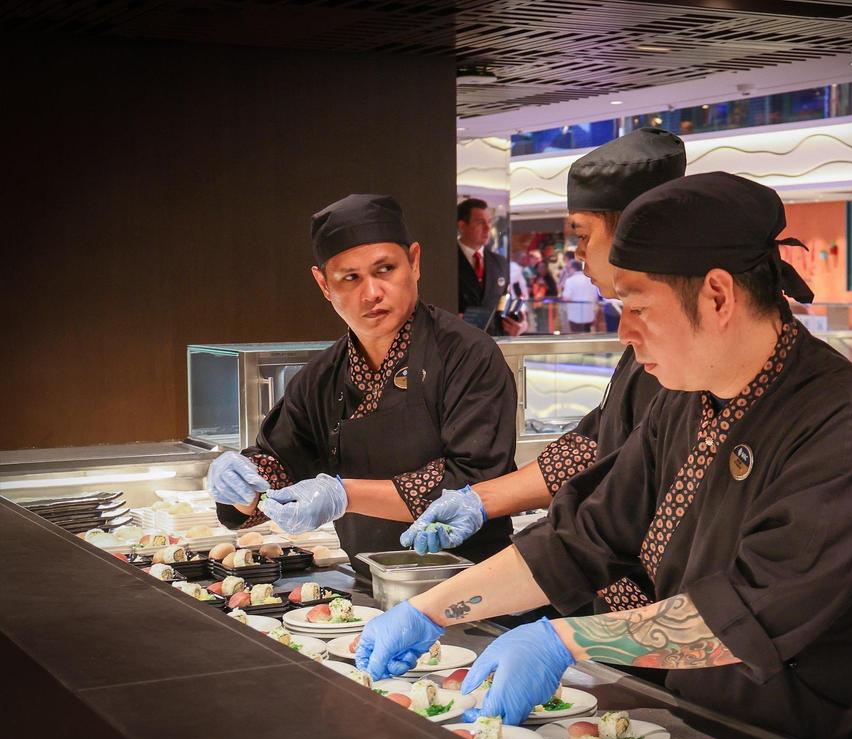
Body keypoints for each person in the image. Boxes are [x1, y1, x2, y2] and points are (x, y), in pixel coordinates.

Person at [357, 173, 852, 739]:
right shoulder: (683, 400)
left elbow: (748, 614)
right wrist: (431, 611)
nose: (624, 334)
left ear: (717, 296)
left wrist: (567, 643)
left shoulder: (847, 421)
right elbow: (583, 539)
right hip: (707, 731)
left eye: (636, 307)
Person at [397, 129, 685, 621]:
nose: (576, 253)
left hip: (660, 620)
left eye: (582, 235)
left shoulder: (689, 366)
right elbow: (593, 448)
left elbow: (614, 509)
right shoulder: (648, 350)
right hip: (615, 610)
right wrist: (478, 501)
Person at [206, 194, 518, 574]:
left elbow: (475, 481)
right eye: (350, 278)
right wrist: (242, 486)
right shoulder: (320, 377)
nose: (371, 293)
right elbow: (278, 465)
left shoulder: (468, 354)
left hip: (476, 583)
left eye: (385, 269)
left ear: (415, 262)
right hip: (370, 587)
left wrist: (343, 495)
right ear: (323, 285)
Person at [456, 198, 524, 336]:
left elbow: (506, 301)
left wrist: (521, 324)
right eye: (481, 222)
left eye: (489, 222)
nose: (488, 228)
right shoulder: (445, 261)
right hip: (458, 344)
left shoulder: (500, 262)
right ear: (462, 226)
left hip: (494, 343)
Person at [561, 260, 599, 333]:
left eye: (568, 268)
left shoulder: (570, 280)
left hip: (575, 315)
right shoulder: (590, 280)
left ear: (572, 268)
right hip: (589, 314)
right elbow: (595, 297)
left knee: (576, 336)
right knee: (587, 334)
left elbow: (566, 298)